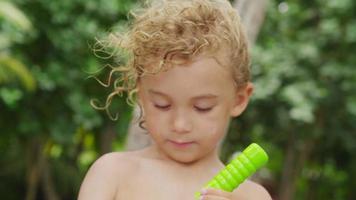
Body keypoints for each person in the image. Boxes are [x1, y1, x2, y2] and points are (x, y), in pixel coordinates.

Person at [78, 0, 272, 199]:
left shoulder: (251, 196)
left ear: (239, 100)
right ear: (140, 94)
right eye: (162, 105)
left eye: (202, 107)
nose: (180, 125)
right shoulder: (113, 173)